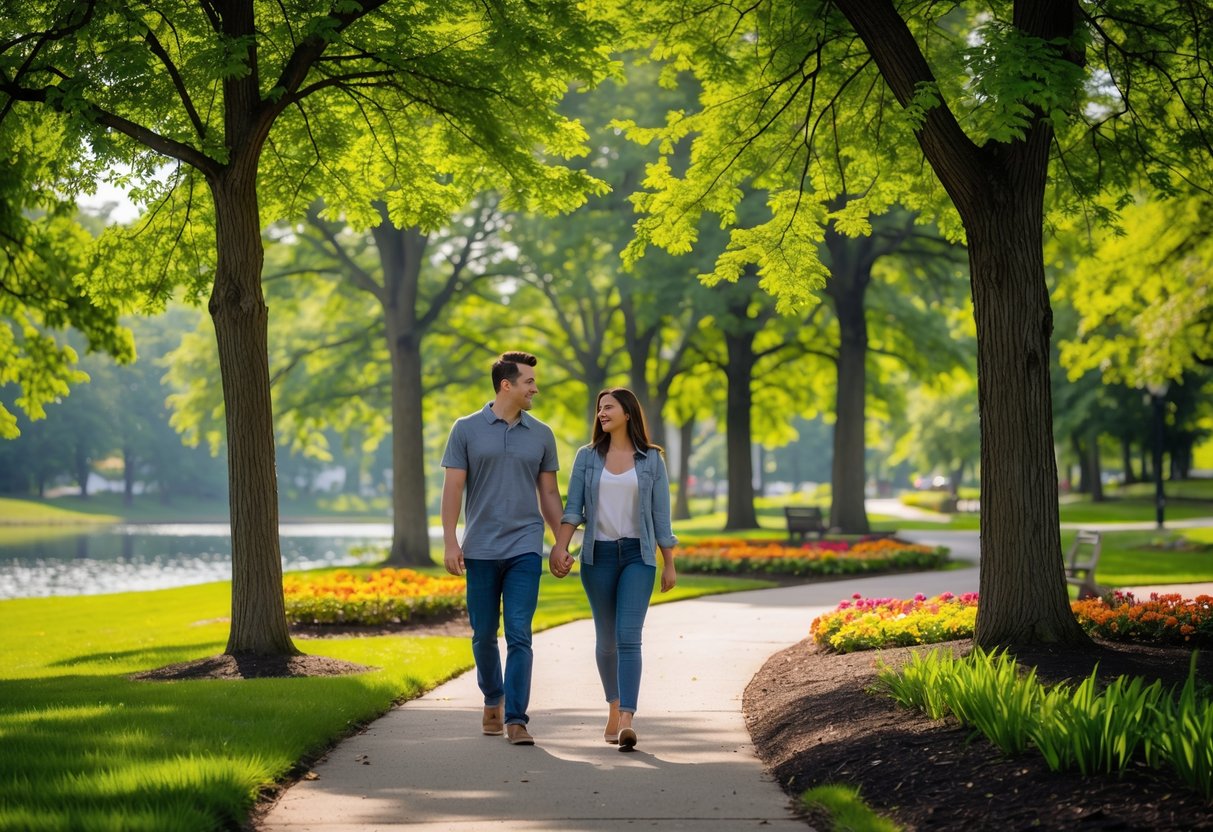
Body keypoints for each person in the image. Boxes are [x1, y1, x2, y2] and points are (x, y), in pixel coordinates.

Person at [441, 351, 563, 746]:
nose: (535, 389)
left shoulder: (541, 434)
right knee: (482, 634)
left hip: (525, 545)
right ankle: (492, 696)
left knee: (520, 634)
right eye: (529, 382)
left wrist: (560, 543)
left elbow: (549, 493)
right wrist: (449, 541)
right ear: (506, 384)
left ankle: (517, 719)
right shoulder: (465, 429)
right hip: (479, 547)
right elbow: (453, 489)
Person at [548, 387, 677, 751]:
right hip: (598, 558)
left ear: (628, 413)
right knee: (606, 641)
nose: (601, 413)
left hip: (638, 557)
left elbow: (661, 517)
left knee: (627, 636)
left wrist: (669, 564)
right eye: (599, 409)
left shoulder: (651, 460)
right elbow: (573, 509)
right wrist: (560, 547)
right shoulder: (587, 457)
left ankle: (627, 720)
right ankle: (613, 705)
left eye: (609, 408)